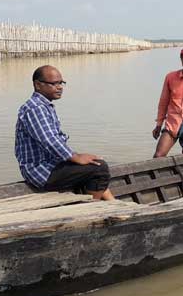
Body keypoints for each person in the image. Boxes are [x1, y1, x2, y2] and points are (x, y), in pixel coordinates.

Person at [15, 65, 115, 200]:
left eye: (61, 83)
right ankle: (90, 211)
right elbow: (50, 140)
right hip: (41, 171)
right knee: (100, 169)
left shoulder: (45, 106)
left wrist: (78, 157)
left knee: (94, 164)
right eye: (54, 83)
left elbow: (55, 140)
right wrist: (76, 157)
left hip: (52, 164)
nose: (60, 87)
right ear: (38, 85)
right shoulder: (35, 108)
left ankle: (113, 204)